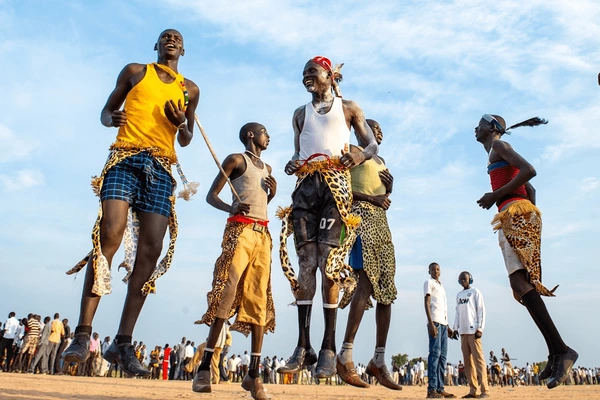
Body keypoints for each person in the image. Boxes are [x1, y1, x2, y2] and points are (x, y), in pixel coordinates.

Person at [62, 29, 200, 377]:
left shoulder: (189, 89)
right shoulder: (136, 71)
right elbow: (106, 112)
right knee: (109, 235)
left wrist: (179, 122)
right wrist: (113, 119)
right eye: (164, 36)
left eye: (176, 37)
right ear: (157, 46)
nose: (170, 40)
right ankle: (82, 335)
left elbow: (186, 138)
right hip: (125, 159)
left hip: (161, 169)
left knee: (150, 254)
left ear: (183, 48)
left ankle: (122, 343)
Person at [277, 56, 378, 379]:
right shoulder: (299, 114)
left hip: (335, 185)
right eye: (304, 72)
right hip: (306, 187)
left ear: (329, 75)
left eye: (312, 72)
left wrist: (360, 154)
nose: (307, 76)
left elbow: (371, 143)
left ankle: (328, 349)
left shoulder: (348, 108)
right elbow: (298, 151)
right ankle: (303, 346)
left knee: (329, 264)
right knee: (306, 262)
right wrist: (293, 162)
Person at [475, 114, 577, 389]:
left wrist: (497, 197)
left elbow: (530, 171)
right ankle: (556, 353)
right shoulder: (496, 153)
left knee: (520, 284)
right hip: (518, 213)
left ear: (493, 129)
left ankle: (562, 350)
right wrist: (530, 223)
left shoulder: (500, 147)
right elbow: (530, 188)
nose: (476, 127)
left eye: (481, 122)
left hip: (514, 212)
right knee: (521, 286)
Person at [192, 122, 276, 400]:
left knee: (259, 300)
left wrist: (272, 194)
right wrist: (231, 207)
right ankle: (204, 368)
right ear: (251, 135)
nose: (269, 136)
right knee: (226, 293)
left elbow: (262, 200)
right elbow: (210, 196)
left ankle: (254, 374)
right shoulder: (235, 160)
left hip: (262, 234)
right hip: (239, 230)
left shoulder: (268, 169)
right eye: (265, 131)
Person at [335, 119, 401, 391]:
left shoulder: (381, 160)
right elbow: (341, 189)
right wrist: (373, 199)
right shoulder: (352, 151)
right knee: (365, 282)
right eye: (376, 129)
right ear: (364, 132)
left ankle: (379, 359)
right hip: (361, 219)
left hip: (382, 223)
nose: (380, 133)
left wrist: (389, 190)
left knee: (386, 291)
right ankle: (345, 355)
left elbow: (383, 196)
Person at [452, 271, 489, 398]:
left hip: (474, 332)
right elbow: (457, 313)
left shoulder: (475, 292)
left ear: (470, 279)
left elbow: (481, 310)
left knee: (479, 361)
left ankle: (485, 390)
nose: (463, 281)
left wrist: (480, 328)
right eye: (461, 279)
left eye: (465, 279)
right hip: (463, 333)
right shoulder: (459, 295)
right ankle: (473, 390)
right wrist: (455, 328)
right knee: (467, 363)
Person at [424, 263, 455, 398]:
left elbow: (443, 308)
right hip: (435, 322)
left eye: (437, 269)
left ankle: (440, 388)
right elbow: (427, 302)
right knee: (435, 355)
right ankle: (431, 389)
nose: (436, 271)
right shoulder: (429, 282)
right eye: (433, 269)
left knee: (443, 357)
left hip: (443, 324)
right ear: (429, 271)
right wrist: (431, 324)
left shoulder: (441, 286)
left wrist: (447, 326)